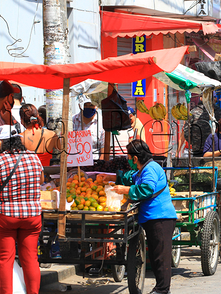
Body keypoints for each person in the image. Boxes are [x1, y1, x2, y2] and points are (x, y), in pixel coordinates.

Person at [103, 140, 176, 294]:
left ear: (135, 158)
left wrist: (126, 190)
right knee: (157, 255)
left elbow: (147, 189)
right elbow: (133, 179)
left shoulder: (150, 169)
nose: (128, 160)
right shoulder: (144, 169)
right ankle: (162, 289)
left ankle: (162, 289)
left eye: (129, 156)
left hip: (160, 217)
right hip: (152, 217)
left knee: (160, 256)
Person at [0, 124, 44, 294]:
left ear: (1, 143)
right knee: (30, 259)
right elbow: (41, 179)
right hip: (32, 215)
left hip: (5, 216)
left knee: (4, 260)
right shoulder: (33, 157)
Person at [72, 94, 105, 160]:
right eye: (85, 105)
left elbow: (103, 147)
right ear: (80, 106)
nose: (88, 107)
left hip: (94, 162)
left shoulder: (102, 122)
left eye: (91, 105)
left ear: (96, 107)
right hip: (75, 161)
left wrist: (100, 162)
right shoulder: (72, 120)